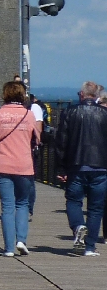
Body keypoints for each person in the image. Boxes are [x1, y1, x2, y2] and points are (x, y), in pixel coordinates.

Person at [0, 79, 42, 257]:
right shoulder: (29, 115)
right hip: (24, 165)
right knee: (22, 204)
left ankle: (8, 248)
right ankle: (21, 240)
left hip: (2, 164)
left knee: (7, 206)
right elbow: (37, 139)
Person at [56, 81, 107, 256]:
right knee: (95, 207)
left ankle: (78, 225)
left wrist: (61, 167)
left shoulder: (69, 113)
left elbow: (61, 141)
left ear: (83, 94)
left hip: (76, 165)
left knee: (73, 200)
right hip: (101, 166)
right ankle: (90, 247)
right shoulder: (105, 114)